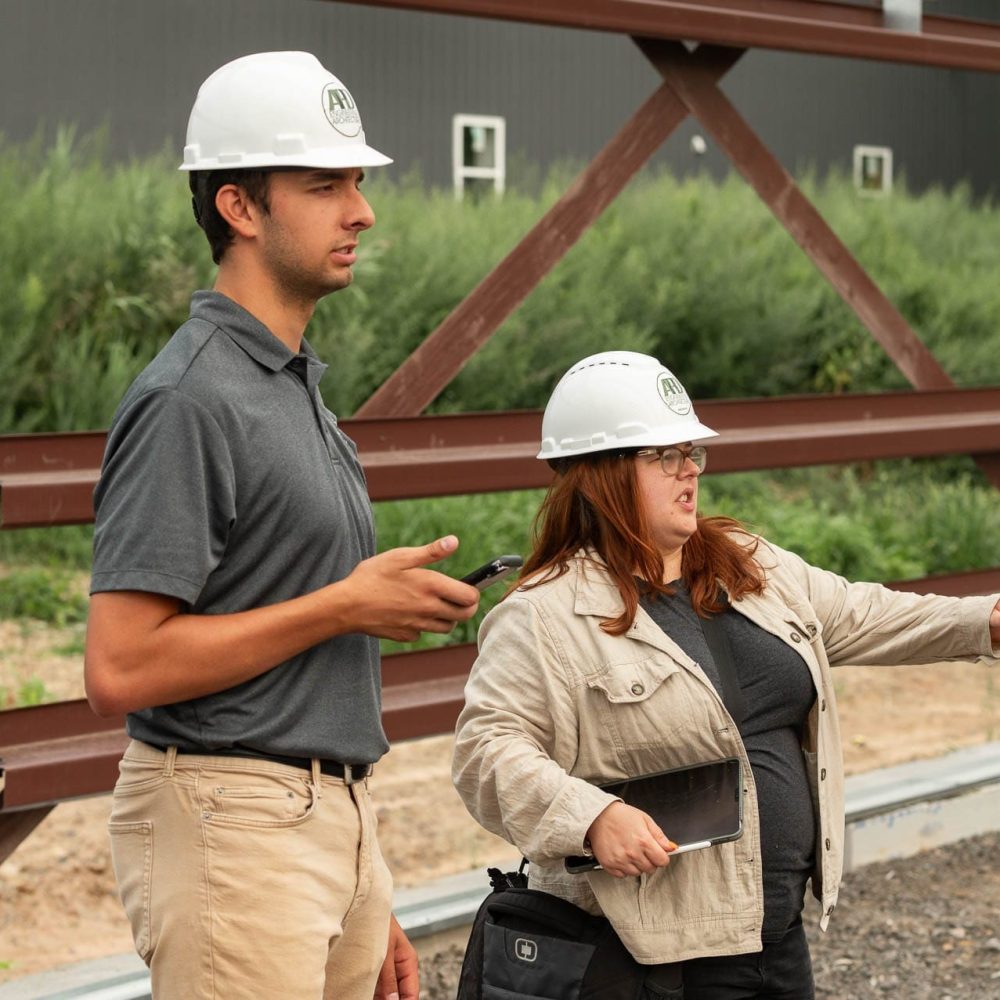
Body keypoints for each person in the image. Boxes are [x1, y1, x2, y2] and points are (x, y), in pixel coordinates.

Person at [84, 51, 480, 1000]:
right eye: (324, 185)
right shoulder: (191, 399)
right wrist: (345, 605)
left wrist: (360, 879)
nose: (361, 210)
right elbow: (121, 668)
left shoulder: (288, 387)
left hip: (317, 823)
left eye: (356, 182)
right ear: (239, 207)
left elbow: (295, 655)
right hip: (231, 827)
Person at [452, 350, 1000, 999]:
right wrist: (591, 816)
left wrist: (987, 620)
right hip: (650, 961)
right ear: (599, 473)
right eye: (665, 455)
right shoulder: (544, 615)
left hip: (777, 936)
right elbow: (486, 753)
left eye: (693, 453)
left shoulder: (747, 566)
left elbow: (863, 611)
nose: (690, 470)